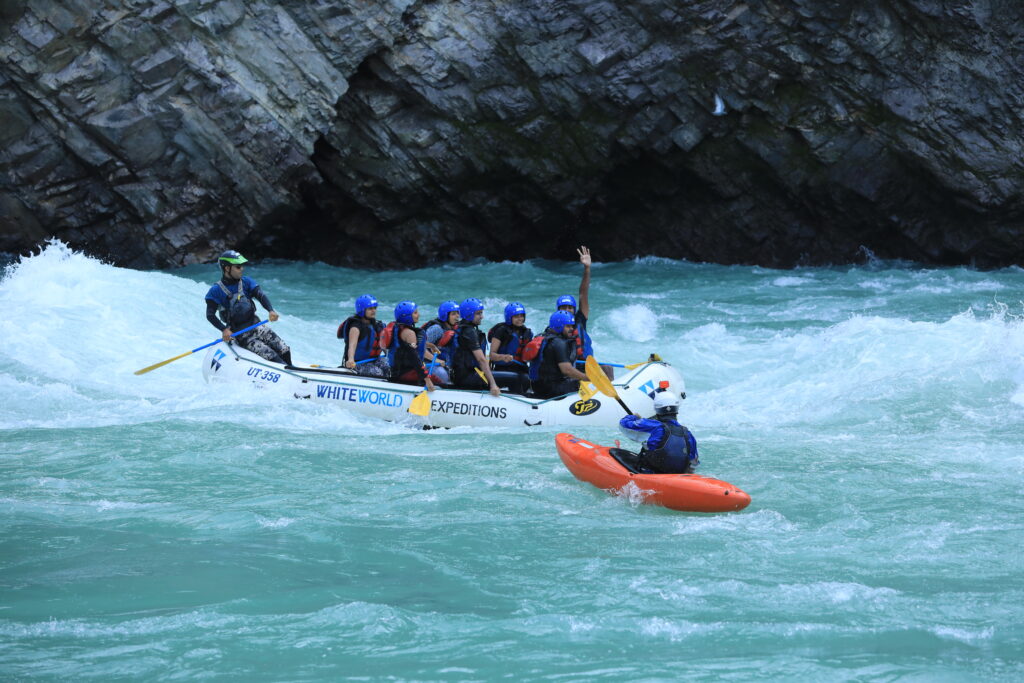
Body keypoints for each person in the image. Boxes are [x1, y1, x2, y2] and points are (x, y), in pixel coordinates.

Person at [204, 250, 292, 365]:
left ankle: (292, 368)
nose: (242, 269)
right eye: (238, 267)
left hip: (256, 325)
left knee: (284, 349)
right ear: (227, 268)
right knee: (273, 357)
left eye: (242, 266)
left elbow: (261, 295)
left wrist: (270, 310)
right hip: (241, 334)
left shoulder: (246, 282)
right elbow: (210, 315)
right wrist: (224, 329)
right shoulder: (215, 291)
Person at [556, 245, 613, 379]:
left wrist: (587, 268)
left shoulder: (580, 320)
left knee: (607, 368)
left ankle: (612, 396)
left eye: (570, 307)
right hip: (569, 367)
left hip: (585, 364)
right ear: (558, 310)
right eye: (563, 307)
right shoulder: (554, 326)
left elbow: (583, 293)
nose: (567, 310)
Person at [616, 383, 699, 474]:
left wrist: (634, 418)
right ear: (676, 409)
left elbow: (623, 424)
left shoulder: (653, 426)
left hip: (650, 474)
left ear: (657, 409)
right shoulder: (688, 434)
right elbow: (693, 463)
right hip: (676, 478)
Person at [450, 298, 523, 396]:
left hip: (461, 374)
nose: (482, 316)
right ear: (469, 314)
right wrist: (493, 384)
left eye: (481, 313)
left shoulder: (462, 327)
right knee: (516, 378)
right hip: (468, 377)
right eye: (478, 313)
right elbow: (481, 359)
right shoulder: (469, 332)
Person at [529, 310, 589, 398]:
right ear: (559, 326)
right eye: (568, 326)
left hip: (536, 386)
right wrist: (586, 378)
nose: (571, 329)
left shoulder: (543, 337)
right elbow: (567, 370)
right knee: (583, 384)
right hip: (552, 389)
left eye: (572, 326)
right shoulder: (559, 343)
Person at [385, 301, 438, 391]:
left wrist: (431, 346)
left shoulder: (400, 329)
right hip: (406, 373)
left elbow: (408, 346)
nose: (419, 315)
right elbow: (414, 357)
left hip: (397, 371)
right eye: (415, 313)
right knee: (438, 379)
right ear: (407, 316)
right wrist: (427, 379)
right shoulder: (410, 333)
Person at [337, 294, 389, 378]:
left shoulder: (377, 325)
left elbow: (384, 347)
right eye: (370, 309)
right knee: (378, 372)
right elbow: (352, 346)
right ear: (362, 310)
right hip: (358, 363)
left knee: (391, 367)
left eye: (375, 308)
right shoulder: (355, 327)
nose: (374, 311)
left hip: (374, 360)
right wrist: (350, 359)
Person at [488, 302, 532, 378]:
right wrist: (503, 357)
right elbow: (492, 355)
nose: (520, 319)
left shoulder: (527, 332)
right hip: (502, 369)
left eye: (521, 316)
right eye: (516, 316)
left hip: (521, 369)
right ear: (509, 317)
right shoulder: (501, 331)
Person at [422, 300, 460, 385]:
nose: (457, 316)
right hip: (430, 363)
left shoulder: (454, 328)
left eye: (458, 313)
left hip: (444, 363)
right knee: (443, 375)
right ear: (445, 316)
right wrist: (437, 360)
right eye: (453, 314)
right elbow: (420, 347)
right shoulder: (436, 329)